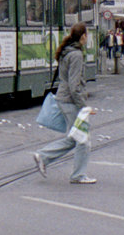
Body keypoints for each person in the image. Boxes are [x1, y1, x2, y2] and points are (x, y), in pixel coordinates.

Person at [33, 23, 96, 184]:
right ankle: (78, 175)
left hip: (64, 98)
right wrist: (84, 107)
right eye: (86, 34)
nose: (87, 37)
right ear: (82, 36)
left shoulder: (67, 51)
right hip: (70, 100)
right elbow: (74, 85)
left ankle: (43, 156)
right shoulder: (76, 55)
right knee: (82, 139)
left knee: (74, 137)